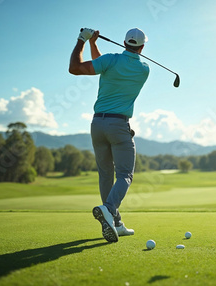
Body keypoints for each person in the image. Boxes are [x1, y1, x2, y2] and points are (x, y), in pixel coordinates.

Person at [69, 27, 150, 242]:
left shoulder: (110, 61)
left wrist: (83, 40)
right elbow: (104, 64)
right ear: (142, 47)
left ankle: (116, 222)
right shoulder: (144, 69)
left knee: (106, 175)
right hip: (119, 125)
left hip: (98, 124)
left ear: (124, 43)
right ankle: (109, 209)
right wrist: (94, 45)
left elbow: (76, 68)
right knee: (125, 175)